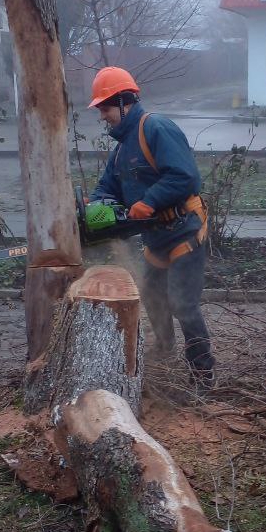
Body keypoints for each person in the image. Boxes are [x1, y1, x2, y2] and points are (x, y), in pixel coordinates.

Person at [88, 66, 216, 389]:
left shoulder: (155, 129)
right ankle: (164, 350)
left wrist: (150, 199)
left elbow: (185, 176)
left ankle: (203, 376)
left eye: (105, 107)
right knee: (152, 295)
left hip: (184, 230)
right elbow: (106, 190)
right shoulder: (119, 153)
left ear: (125, 102)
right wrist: (95, 213)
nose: (102, 115)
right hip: (156, 239)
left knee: (183, 303)